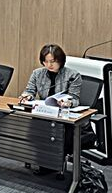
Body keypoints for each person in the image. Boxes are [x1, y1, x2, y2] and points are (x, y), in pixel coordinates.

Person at [20, 44, 83, 176]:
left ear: (60, 60)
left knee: (59, 135)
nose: (49, 65)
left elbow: (75, 99)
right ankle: (45, 162)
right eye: (46, 61)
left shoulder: (73, 75)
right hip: (44, 114)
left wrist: (68, 102)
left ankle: (52, 164)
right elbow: (30, 90)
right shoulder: (37, 73)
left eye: (53, 61)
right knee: (34, 132)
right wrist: (27, 96)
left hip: (63, 117)